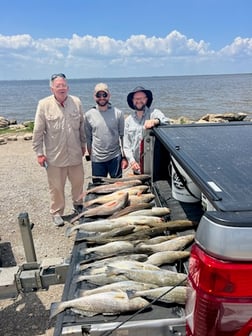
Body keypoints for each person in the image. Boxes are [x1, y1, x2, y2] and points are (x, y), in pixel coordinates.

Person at [32, 73, 86, 227]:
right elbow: (38, 131)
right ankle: (56, 212)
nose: (61, 88)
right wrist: (39, 153)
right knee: (56, 187)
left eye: (64, 85)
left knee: (78, 182)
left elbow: (81, 125)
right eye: (58, 86)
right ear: (52, 88)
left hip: (75, 153)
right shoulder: (44, 104)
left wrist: (83, 145)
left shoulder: (76, 102)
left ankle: (78, 205)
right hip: (55, 156)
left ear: (67, 87)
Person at [84, 83, 128, 181]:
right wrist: (91, 155)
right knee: (98, 187)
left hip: (115, 157)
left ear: (109, 96)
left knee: (117, 187)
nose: (102, 98)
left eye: (104, 95)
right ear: (94, 96)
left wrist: (124, 157)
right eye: (98, 95)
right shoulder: (88, 115)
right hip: (97, 159)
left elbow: (122, 136)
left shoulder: (118, 113)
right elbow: (88, 137)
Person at [124, 86, 169, 174]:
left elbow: (167, 121)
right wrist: (132, 161)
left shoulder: (154, 113)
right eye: (136, 98)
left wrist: (155, 121)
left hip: (154, 165)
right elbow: (126, 145)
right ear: (132, 100)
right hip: (137, 166)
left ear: (146, 99)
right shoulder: (128, 121)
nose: (139, 101)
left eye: (142, 98)